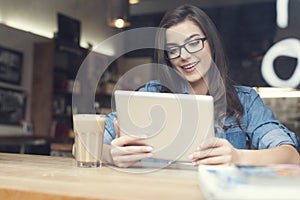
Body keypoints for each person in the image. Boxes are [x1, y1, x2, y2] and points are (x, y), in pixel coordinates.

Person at [102, 4, 299, 168]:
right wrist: (111, 154)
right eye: (173, 49)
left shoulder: (245, 100)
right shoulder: (150, 95)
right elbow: (83, 147)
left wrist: (237, 157)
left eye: (194, 43)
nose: (185, 55)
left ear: (211, 44)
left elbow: (291, 156)